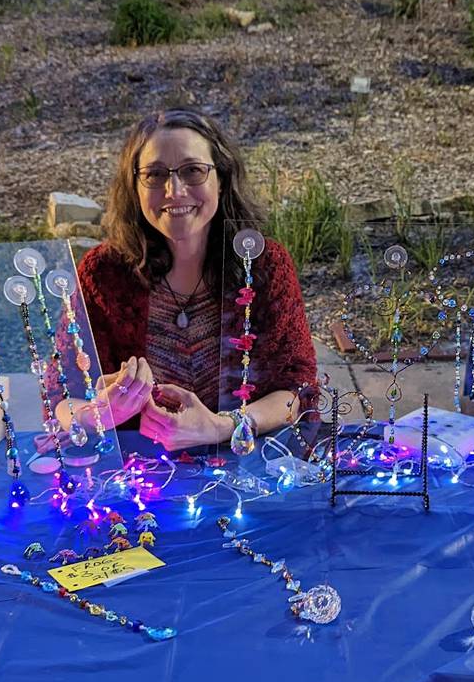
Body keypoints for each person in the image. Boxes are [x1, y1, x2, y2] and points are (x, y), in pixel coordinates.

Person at [73, 109, 316, 451]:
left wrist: (222, 426)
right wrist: (95, 413)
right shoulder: (103, 273)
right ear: (134, 185)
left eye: (193, 171)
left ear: (221, 177)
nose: (174, 190)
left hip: (247, 472)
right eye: (155, 174)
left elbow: (299, 390)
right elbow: (62, 393)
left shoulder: (263, 266)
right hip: (138, 480)